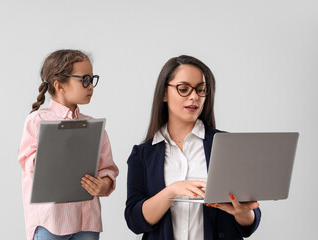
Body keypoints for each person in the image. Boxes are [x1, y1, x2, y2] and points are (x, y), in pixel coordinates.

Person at [124, 55, 261, 240]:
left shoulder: (228, 146)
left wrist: (243, 213)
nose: (194, 96)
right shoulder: (143, 155)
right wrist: (172, 191)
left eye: (201, 89)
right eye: (184, 89)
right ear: (164, 93)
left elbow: (249, 224)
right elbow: (134, 221)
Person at [18, 49, 119, 240]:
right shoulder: (37, 121)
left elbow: (108, 170)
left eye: (92, 79)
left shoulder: (95, 127)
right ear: (59, 86)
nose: (91, 86)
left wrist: (103, 186)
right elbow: (28, 164)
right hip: (50, 222)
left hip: (87, 221)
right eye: (85, 80)